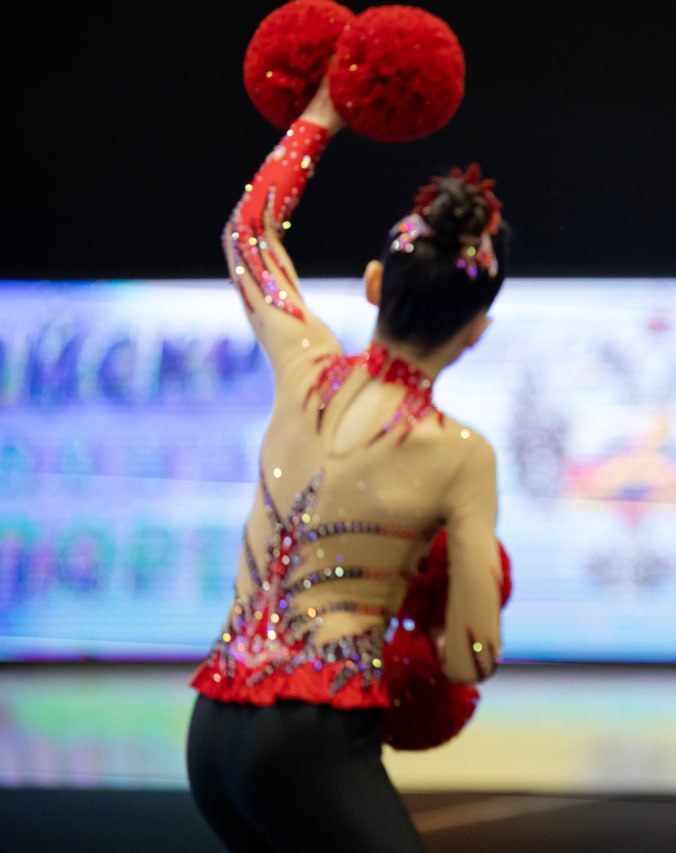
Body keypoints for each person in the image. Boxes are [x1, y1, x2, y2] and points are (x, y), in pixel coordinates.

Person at [184, 77, 509, 853]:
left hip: (211, 725)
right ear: (475, 332)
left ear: (373, 283)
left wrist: (324, 111)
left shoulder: (304, 365)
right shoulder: (460, 453)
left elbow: (248, 234)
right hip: (312, 735)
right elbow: (470, 656)